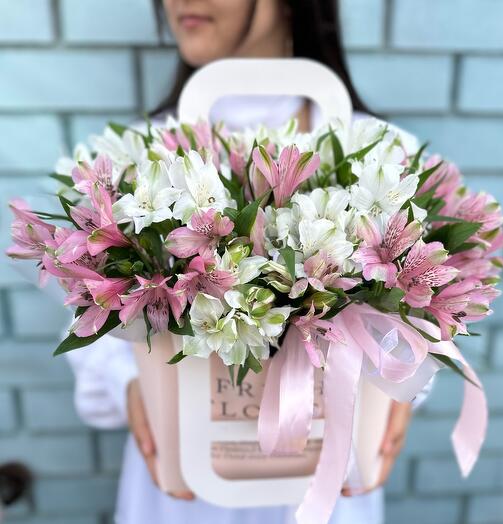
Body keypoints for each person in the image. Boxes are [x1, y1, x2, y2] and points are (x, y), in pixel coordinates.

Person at [66, 1, 431, 522]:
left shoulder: (386, 153)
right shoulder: (138, 156)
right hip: (189, 486)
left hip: (322, 484)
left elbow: (425, 310)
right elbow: (90, 303)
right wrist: (133, 382)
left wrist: (402, 383)